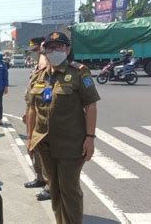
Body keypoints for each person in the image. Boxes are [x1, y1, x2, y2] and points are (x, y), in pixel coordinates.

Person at [26, 32, 100, 224]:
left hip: (71, 144)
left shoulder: (79, 72)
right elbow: (32, 109)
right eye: (50, 47)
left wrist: (90, 137)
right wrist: (30, 138)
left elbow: (90, 105)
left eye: (59, 47)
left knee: (69, 188)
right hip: (44, 143)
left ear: (67, 50)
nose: (54, 51)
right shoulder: (39, 76)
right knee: (55, 188)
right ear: (45, 51)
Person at [22, 37, 51, 201]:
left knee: (45, 151)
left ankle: (49, 185)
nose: (33, 55)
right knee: (34, 148)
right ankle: (40, 178)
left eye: (36, 51)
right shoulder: (37, 68)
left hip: (43, 116)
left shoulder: (48, 66)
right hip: (32, 109)